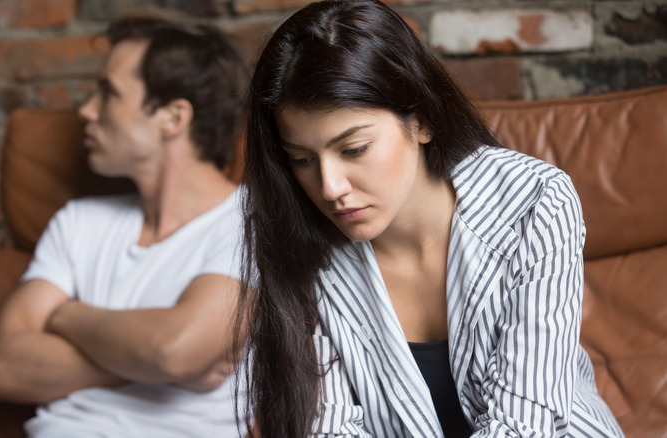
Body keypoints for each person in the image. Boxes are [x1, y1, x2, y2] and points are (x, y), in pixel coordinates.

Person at [233, 0, 624, 436]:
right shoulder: (300, 239)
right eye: (301, 159)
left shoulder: (532, 201)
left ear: (421, 121)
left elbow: (522, 425)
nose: (329, 187)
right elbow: (330, 429)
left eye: (354, 150)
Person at [0, 14, 248, 438]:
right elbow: (0, 369)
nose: (86, 111)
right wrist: (152, 368)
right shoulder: (78, 221)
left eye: (108, 93)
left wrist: (66, 316)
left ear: (172, 117)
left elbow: (172, 351)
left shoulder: (251, 224)